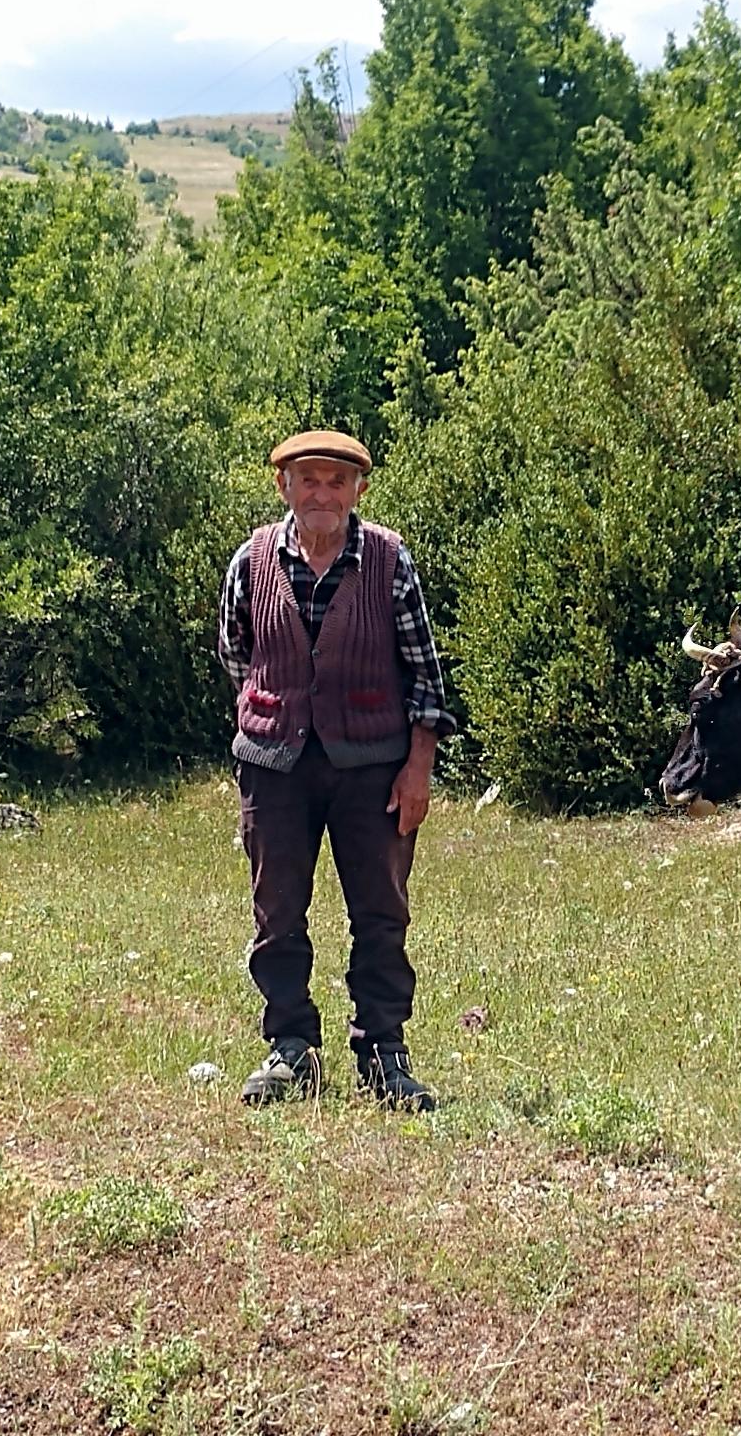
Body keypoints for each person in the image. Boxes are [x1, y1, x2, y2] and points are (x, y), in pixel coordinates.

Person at [218, 430, 455, 1110]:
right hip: (275, 764)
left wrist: (418, 765)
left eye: (337, 481)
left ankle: (384, 1052)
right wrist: (272, 710)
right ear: (284, 486)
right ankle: (290, 1047)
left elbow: (425, 673)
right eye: (309, 480)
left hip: (372, 764)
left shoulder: (389, 559)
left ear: (359, 491)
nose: (323, 493)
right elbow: (238, 653)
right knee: (277, 912)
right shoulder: (253, 559)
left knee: (381, 914)